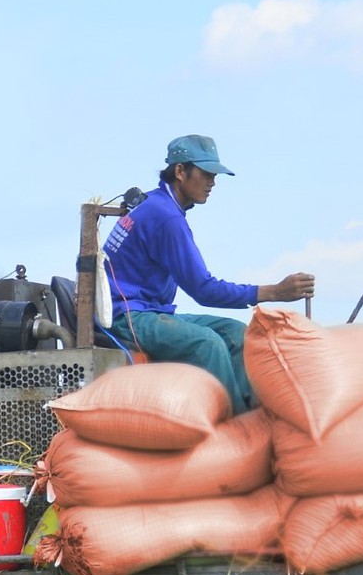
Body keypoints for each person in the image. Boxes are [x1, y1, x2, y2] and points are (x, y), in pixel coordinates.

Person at [101, 135, 314, 415]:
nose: (212, 183)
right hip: (129, 317)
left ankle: (249, 414)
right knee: (209, 344)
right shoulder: (166, 217)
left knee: (236, 334)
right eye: (206, 174)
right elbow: (203, 289)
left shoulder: (156, 205)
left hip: (151, 311)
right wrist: (276, 292)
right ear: (180, 171)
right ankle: (238, 432)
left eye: (214, 176)